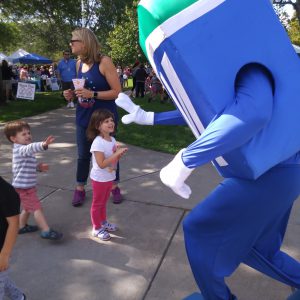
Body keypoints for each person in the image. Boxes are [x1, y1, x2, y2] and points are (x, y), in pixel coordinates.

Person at [116, 0, 300, 299]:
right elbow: (212, 113)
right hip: (285, 169)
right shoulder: (247, 54)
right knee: (258, 247)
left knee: (201, 231)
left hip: (271, 172)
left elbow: (253, 112)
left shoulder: (249, 61)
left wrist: (186, 159)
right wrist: (149, 118)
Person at [63, 27, 123, 206]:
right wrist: (72, 94)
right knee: (83, 156)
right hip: (83, 117)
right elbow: (82, 90)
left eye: (73, 40)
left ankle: (114, 186)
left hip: (104, 120)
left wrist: (93, 95)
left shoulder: (104, 62)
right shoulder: (78, 63)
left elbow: (117, 92)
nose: (70, 44)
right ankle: (80, 188)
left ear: (84, 42)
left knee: (110, 153)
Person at [4, 120, 63, 241]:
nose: (28, 136)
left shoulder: (24, 149)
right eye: (24, 134)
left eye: (28, 133)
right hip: (24, 187)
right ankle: (46, 230)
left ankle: (21, 226)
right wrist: (43, 144)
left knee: (27, 207)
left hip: (25, 185)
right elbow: (31, 148)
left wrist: (38, 167)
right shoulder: (20, 149)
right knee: (36, 208)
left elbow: (26, 164)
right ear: (14, 139)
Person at [86, 109, 127, 241]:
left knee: (103, 202)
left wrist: (118, 155)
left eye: (111, 120)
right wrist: (115, 154)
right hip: (99, 179)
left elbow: (113, 161)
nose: (111, 123)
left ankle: (103, 222)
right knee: (97, 203)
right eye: (106, 121)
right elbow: (101, 164)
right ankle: (96, 228)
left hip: (109, 177)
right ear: (98, 126)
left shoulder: (112, 139)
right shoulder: (98, 142)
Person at [0, 177, 25, 300]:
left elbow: (14, 224)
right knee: (4, 282)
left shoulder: (5, 191)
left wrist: (4, 255)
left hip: (0, 251)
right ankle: (19, 297)